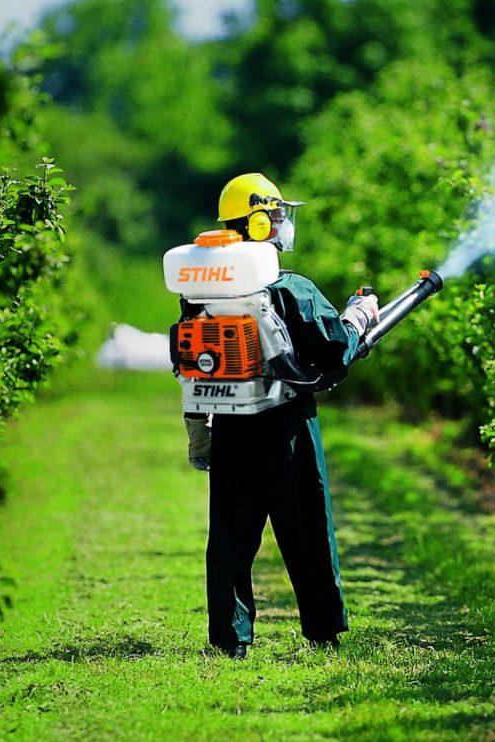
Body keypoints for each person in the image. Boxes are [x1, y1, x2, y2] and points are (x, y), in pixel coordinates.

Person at [181, 173, 378, 660]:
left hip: (230, 424)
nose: (282, 223)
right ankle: (323, 630)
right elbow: (334, 349)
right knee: (306, 526)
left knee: (231, 536)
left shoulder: (198, 291)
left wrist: (198, 433)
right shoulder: (289, 288)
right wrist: (359, 317)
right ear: (258, 219)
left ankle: (230, 639)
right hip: (288, 426)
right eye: (276, 214)